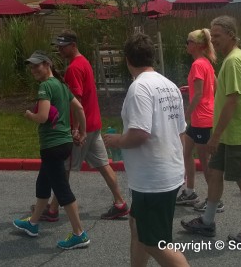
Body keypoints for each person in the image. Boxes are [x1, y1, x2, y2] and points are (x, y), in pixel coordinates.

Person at [103, 33, 189, 267]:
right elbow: (181, 130)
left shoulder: (139, 88)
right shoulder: (169, 85)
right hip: (165, 171)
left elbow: (140, 133)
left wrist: (116, 140)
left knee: (154, 243)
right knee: (136, 226)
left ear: (127, 60)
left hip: (153, 179)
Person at [181, 16, 241, 245]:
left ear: (231, 34)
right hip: (229, 134)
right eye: (212, 35)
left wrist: (215, 136)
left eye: (217, 36)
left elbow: (232, 102)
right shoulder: (228, 61)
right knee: (216, 174)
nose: (214, 40)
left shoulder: (234, 61)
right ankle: (207, 222)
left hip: (238, 134)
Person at [41, 30, 128, 221]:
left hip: (83, 127)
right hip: (94, 124)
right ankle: (120, 203)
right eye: (58, 46)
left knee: (63, 168)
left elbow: (76, 101)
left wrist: (76, 130)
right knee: (104, 165)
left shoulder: (73, 68)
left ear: (73, 45)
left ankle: (53, 210)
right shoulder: (84, 62)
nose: (59, 49)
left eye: (63, 46)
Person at [14, 50, 90, 250]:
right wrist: (81, 132)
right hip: (62, 144)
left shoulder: (46, 86)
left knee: (62, 190)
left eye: (37, 65)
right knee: (43, 183)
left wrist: (30, 114)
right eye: (31, 66)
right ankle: (32, 224)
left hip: (52, 145)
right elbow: (79, 109)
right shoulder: (61, 85)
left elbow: (43, 117)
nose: (33, 70)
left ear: (47, 64)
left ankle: (79, 234)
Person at [177, 29, 224, 213]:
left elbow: (199, 94)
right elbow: (213, 85)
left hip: (201, 119)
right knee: (187, 152)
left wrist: (186, 115)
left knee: (206, 162)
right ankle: (189, 192)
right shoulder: (206, 63)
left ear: (197, 45)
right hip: (203, 117)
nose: (186, 44)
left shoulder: (198, 64)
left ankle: (215, 201)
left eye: (188, 41)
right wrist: (190, 87)